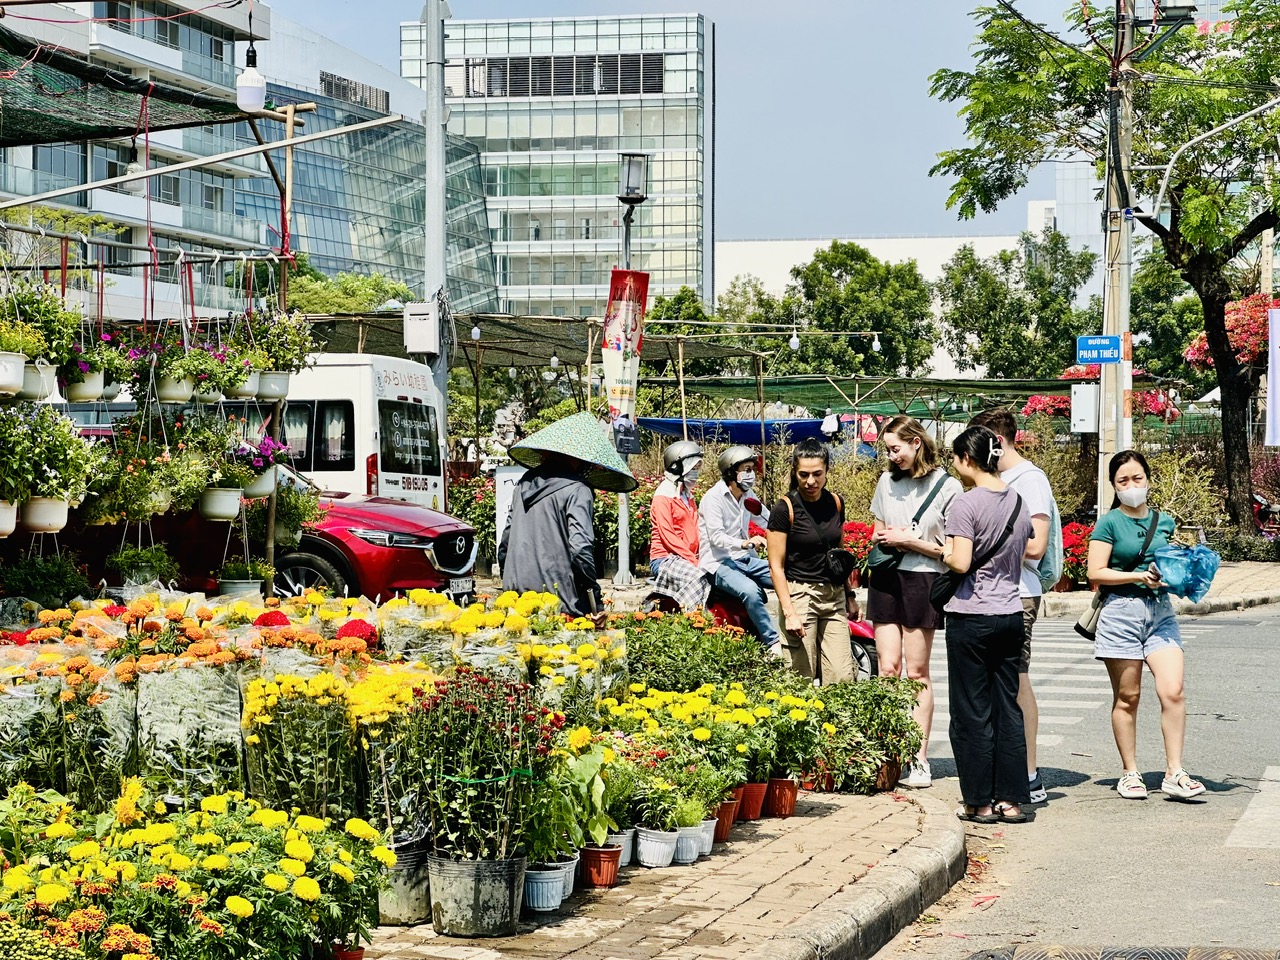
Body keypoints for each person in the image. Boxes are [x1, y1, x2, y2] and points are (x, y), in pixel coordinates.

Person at [1086, 450, 1205, 801]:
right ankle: (1130, 772)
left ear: (1148, 480)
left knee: (1173, 691)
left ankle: (1174, 772)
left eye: (1137, 478)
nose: (1131, 485)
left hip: (1160, 613)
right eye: (1123, 481)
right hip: (1121, 613)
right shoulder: (1109, 523)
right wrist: (1139, 574)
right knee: (1128, 697)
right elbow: (1096, 572)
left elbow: (1169, 567)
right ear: (1114, 486)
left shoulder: (1164, 521)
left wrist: (1184, 576)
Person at [942, 426, 1034, 824]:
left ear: (966, 459)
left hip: (971, 617)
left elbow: (961, 562)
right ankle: (1011, 800)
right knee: (1007, 709)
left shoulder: (965, 504)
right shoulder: (1018, 501)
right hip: (1010, 614)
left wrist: (939, 549)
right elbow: (1027, 549)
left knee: (971, 712)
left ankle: (978, 802)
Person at [867, 415, 962, 790]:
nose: (893, 456)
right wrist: (888, 538)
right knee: (887, 668)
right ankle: (886, 752)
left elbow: (951, 551)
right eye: (888, 450)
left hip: (924, 577)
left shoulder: (947, 486)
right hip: (888, 575)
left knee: (916, 672)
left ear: (916, 443)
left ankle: (919, 758)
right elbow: (877, 531)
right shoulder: (887, 482)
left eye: (897, 448)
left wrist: (910, 541)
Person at [969, 408, 1059, 804]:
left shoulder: (1029, 481)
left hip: (1017, 591)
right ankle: (1003, 770)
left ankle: (1029, 773)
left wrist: (979, 542)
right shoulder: (1000, 481)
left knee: (1016, 679)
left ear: (998, 442)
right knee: (993, 685)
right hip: (988, 593)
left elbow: (1036, 545)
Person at [767, 438, 859, 683]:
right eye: (804, 474)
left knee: (842, 677)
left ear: (827, 470)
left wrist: (849, 595)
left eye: (817, 474)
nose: (811, 481)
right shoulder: (784, 509)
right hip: (800, 595)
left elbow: (838, 553)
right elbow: (776, 566)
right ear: (794, 472)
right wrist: (789, 612)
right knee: (800, 678)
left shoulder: (836, 503)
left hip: (833, 596)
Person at [498, 452, 602, 619]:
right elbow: (580, 548)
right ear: (575, 456)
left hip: (516, 600)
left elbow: (506, 541)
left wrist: (509, 580)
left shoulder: (523, 484)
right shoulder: (578, 489)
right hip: (560, 603)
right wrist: (593, 598)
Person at [699, 444, 781, 650]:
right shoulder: (713, 499)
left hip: (745, 559)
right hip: (719, 563)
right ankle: (772, 642)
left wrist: (789, 529)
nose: (751, 474)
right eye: (746, 469)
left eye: (752, 469)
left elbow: (767, 520)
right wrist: (745, 542)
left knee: (787, 577)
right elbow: (716, 537)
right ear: (730, 472)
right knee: (751, 592)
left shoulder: (748, 495)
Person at [649, 440, 711, 611]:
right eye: (693, 469)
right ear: (678, 467)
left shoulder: (686, 494)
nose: (696, 474)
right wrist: (693, 560)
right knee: (697, 577)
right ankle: (695, 622)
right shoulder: (663, 495)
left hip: (688, 557)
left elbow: (698, 526)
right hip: (665, 558)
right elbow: (667, 535)